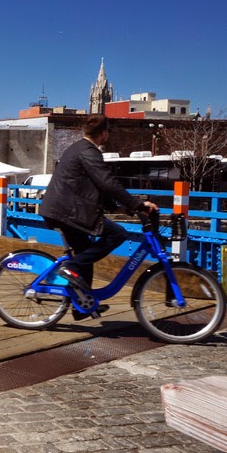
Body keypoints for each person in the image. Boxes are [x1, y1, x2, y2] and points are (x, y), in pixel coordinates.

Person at [39, 114, 157, 319]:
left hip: (64, 209)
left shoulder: (79, 148)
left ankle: (82, 304)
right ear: (103, 133)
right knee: (117, 235)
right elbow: (106, 182)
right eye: (108, 131)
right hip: (67, 212)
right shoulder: (88, 151)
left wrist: (122, 209)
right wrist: (137, 204)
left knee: (86, 254)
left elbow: (91, 186)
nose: (108, 135)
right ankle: (70, 267)